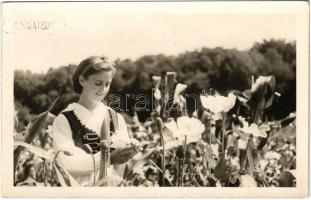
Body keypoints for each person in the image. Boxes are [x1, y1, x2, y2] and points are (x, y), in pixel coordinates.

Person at [52, 56, 138, 186]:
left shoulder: (115, 118)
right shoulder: (64, 119)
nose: (103, 90)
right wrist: (108, 159)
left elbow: (121, 170)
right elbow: (67, 164)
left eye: (107, 84)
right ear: (82, 80)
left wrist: (130, 152)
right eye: (98, 83)